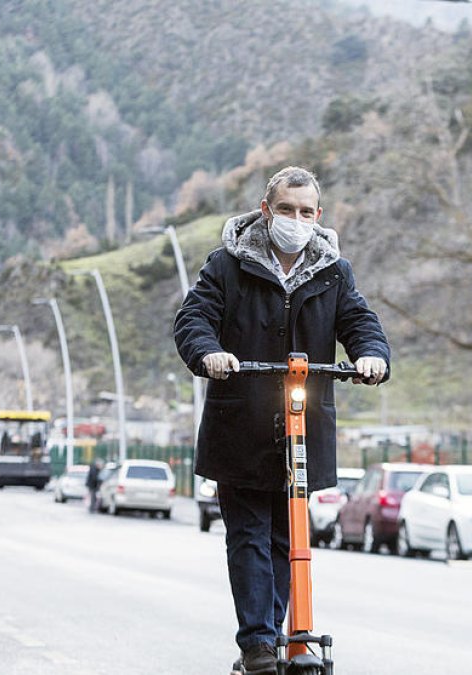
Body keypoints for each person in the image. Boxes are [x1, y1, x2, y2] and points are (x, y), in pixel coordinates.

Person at [174, 166, 390, 675]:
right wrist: (209, 353)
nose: (296, 220)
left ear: (318, 216)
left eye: (306, 211)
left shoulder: (334, 271)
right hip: (242, 422)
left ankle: (274, 638)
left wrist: (371, 355)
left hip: (302, 424)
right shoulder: (227, 265)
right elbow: (194, 318)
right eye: (287, 209)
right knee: (248, 533)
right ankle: (258, 643)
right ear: (266, 210)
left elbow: (359, 321)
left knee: (287, 536)